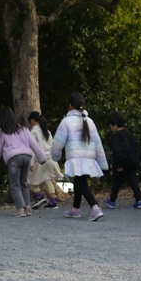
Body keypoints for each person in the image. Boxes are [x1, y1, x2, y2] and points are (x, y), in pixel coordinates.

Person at [51, 92, 108, 222]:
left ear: (70, 106)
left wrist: (55, 156)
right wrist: (103, 163)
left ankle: (95, 208)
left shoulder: (66, 121)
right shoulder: (90, 121)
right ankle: (75, 209)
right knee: (79, 181)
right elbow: (98, 143)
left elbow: (58, 142)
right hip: (89, 160)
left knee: (80, 182)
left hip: (76, 159)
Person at [0, 106, 47, 217]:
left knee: (15, 186)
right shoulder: (23, 129)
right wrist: (42, 158)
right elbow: (34, 144)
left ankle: (21, 209)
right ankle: (28, 208)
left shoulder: (1, 133)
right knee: (24, 184)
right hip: (26, 157)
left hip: (14, 159)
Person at [102, 111, 141, 210]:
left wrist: (118, 165)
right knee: (133, 182)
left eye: (111, 125)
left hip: (122, 164)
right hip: (132, 162)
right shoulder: (129, 134)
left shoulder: (117, 137)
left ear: (115, 125)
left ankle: (112, 201)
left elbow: (118, 152)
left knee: (117, 182)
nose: (111, 127)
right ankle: (139, 200)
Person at [28, 112, 62, 209]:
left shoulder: (33, 132)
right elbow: (52, 146)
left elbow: (33, 149)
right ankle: (52, 200)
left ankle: (39, 195)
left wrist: (31, 163)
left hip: (40, 160)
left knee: (29, 178)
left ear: (32, 121)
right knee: (48, 179)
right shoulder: (47, 131)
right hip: (50, 159)